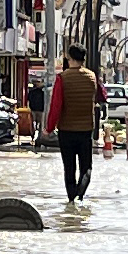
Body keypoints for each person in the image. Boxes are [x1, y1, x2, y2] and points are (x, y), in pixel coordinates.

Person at [45, 47, 103, 201]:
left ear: (69, 58)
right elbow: (100, 96)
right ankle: (80, 195)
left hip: (66, 130)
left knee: (69, 168)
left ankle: (71, 200)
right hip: (86, 130)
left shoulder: (62, 78)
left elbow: (56, 106)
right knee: (86, 168)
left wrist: (49, 128)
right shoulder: (91, 77)